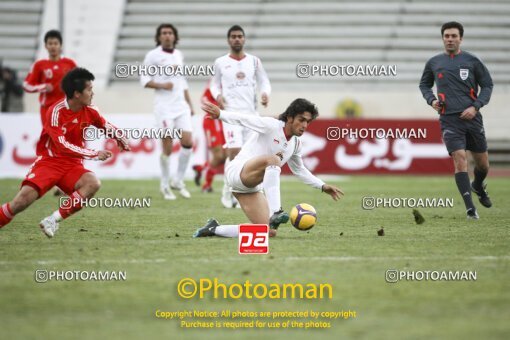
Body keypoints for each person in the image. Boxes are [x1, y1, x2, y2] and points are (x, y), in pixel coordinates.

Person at [0, 68, 130, 237]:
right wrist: (93, 153)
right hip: (50, 162)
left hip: (72, 165)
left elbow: (105, 125)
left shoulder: (91, 110)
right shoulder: (56, 112)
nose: (93, 93)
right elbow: (62, 146)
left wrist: (120, 137)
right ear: (77, 93)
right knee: (20, 202)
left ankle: (52, 220)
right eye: (89, 89)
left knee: (93, 183)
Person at [193, 98, 343, 238]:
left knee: (268, 231)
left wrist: (322, 186)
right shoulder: (272, 126)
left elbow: (300, 170)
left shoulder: (296, 144)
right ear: (290, 117)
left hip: (250, 186)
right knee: (273, 159)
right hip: (237, 171)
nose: (304, 125)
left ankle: (214, 229)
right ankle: (276, 211)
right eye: (301, 120)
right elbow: (244, 120)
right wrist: (221, 114)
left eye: (308, 122)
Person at [419, 21, 494, 220]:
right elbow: (424, 85)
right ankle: (471, 209)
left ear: (461, 38)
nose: (450, 39)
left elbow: (487, 85)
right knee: (460, 159)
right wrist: (432, 100)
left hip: (472, 118)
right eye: (447, 36)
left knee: (483, 165)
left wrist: (475, 106)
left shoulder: (472, 61)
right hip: (449, 119)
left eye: (453, 36)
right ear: (443, 38)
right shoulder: (434, 62)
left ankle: (477, 186)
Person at [210, 25, 271, 208]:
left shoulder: (254, 61)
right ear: (229, 40)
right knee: (234, 152)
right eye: (233, 36)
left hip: (251, 116)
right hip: (230, 116)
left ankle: (244, 192)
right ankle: (227, 191)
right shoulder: (220, 62)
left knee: (249, 155)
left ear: (244, 39)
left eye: (239, 36)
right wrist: (217, 96)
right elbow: (213, 85)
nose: (237, 39)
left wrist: (265, 93)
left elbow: (264, 81)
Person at [141, 23, 195, 200]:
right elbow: (144, 80)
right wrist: (162, 84)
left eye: (170, 33)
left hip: (181, 106)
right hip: (164, 108)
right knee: (168, 147)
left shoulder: (179, 55)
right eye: (163, 33)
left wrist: (190, 104)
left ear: (174, 36)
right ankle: (164, 185)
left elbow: (182, 81)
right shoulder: (152, 56)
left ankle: (178, 180)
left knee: (188, 142)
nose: (167, 36)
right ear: (158, 37)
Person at [23, 30, 77, 120]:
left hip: (66, 108)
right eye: (50, 43)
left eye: (56, 43)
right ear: (45, 46)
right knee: (50, 134)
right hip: (47, 109)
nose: (53, 46)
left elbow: (79, 83)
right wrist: (43, 87)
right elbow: (27, 85)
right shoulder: (39, 64)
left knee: (66, 134)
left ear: (61, 45)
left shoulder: (70, 64)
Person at [192, 81, 227, 193]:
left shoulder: (231, 80)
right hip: (212, 121)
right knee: (218, 155)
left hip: (223, 121)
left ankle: (201, 168)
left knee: (225, 156)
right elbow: (203, 100)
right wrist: (216, 106)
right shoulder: (214, 83)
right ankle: (207, 185)